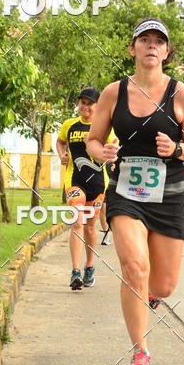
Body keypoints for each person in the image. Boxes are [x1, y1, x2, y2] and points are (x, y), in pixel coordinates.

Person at [86, 17, 184, 365]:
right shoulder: (113, 93)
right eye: (145, 40)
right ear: (132, 48)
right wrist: (100, 152)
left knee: (164, 285)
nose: (152, 45)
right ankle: (141, 352)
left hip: (171, 196)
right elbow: (93, 139)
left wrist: (176, 149)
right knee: (134, 267)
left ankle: (147, 294)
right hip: (126, 193)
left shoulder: (181, 94)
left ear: (167, 52)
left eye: (159, 41)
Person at [56, 87, 113, 290]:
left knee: (90, 227)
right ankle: (75, 272)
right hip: (75, 181)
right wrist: (62, 154)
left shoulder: (106, 127)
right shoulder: (69, 125)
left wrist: (106, 154)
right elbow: (60, 142)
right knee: (77, 222)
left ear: (98, 106)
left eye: (90, 103)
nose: (85, 106)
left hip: (97, 184)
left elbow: (112, 151)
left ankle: (89, 265)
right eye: (82, 102)